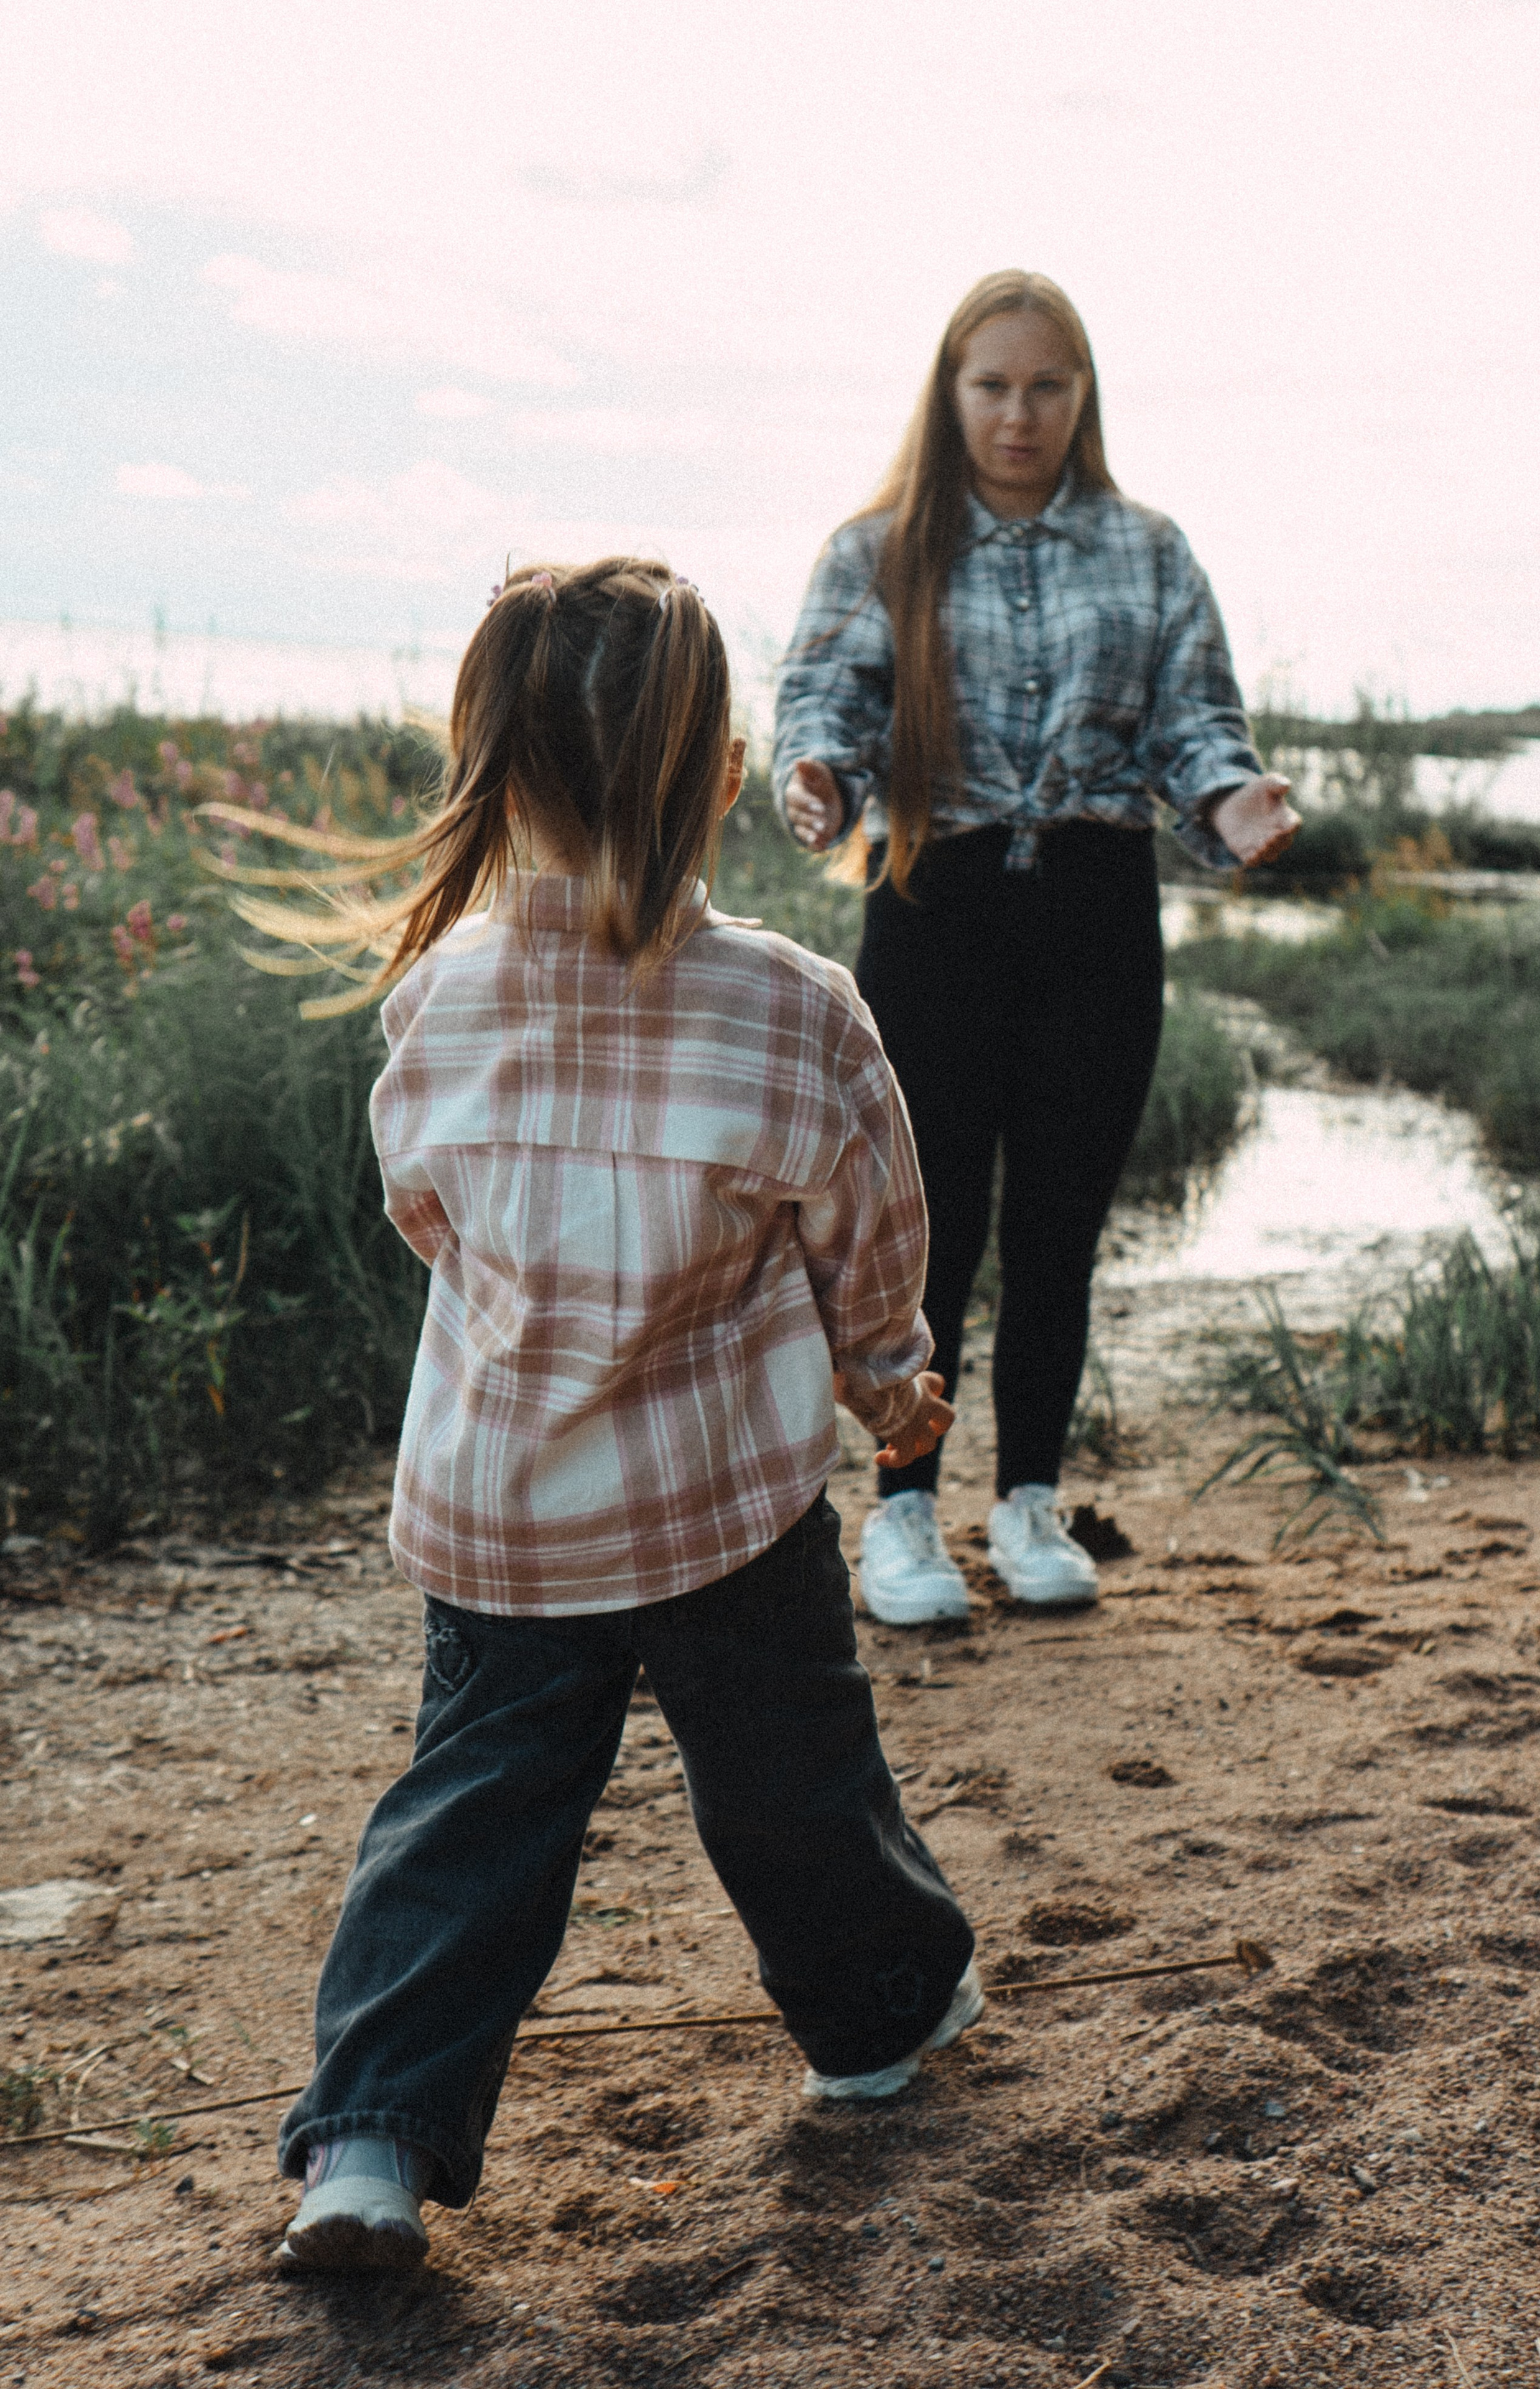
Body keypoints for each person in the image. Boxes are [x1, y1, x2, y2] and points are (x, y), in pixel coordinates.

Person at [236, 560, 978, 2273]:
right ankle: (879, 2025)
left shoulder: (439, 1005)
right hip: (720, 1506)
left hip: (499, 1511)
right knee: (794, 1778)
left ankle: (365, 2143)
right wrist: (883, 1375)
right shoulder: (798, 1010)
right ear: (719, 774)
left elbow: (429, 1215)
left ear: (494, 773)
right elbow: (868, 1237)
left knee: (470, 1816)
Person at [774, 269, 1299, 1630]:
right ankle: (900, 1518)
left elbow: (1195, 722)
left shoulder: (1148, 549)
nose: (1019, 413)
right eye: (992, 385)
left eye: (1046, 385)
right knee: (920, 1236)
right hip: (931, 909)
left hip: (1094, 909)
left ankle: (1026, 1508)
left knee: (1059, 1230)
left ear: (1082, 396)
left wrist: (1230, 800)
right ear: (950, 397)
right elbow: (824, 702)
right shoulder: (876, 547)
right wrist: (818, 777)